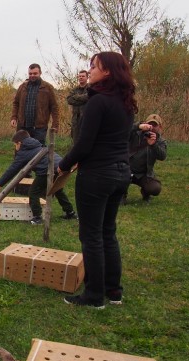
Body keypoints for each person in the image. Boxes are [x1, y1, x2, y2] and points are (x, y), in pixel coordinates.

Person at [58, 51, 137, 309]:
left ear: (108, 72)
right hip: (121, 173)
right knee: (108, 232)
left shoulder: (97, 102)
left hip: (97, 176)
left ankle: (93, 296)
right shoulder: (126, 102)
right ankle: (114, 291)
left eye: (94, 66)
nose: (89, 70)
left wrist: (64, 164)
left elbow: (84, 144)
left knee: (91, 235)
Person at [0, 130, 77, 225]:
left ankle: (37, 217)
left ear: (19, 143)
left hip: (46, 171)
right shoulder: (37, 144)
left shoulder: (24, 151)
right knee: (57, 190)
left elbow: (12, 169)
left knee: (33, 192)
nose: (16, 148)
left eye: (15, 145)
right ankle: (70, 212)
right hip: (60, 166)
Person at [11, 63, 60, 144]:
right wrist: (14, 117)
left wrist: (55, 124)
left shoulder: (47, 88)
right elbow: (16, 103)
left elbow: (54, 107)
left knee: (38, 151)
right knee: (21, 150)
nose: (32, 75)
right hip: (23, 126)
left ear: (40, 73)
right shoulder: (22, 87)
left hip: (39, 127)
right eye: (30, 73)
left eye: (35, 73)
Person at [126, 113, 167, 203]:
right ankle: (121, 196)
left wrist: (153, 145)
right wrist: (138, 126)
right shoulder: (135, 134)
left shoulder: (160, 141)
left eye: (154, 125)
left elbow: (162, 156)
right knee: (117, 180)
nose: (152, 127)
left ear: (160, 127)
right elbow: (123, 130)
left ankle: (146, 193)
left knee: (155, 188)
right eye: (149, 125)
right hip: (126, 170)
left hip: (144, 174)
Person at [66, 70, 89, 141]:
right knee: (75, 140)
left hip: (87, 119)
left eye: (83, 76)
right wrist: (83, 100)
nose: (81, 78)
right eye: (79, 76)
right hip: (75, 120)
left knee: (86, 139)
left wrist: (76, 97)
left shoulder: (91, 88)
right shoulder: (74, 89)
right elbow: (69, 100)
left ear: (87, 77)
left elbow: (88, 97)